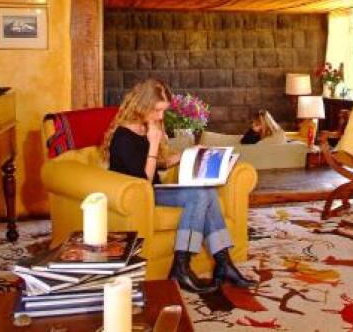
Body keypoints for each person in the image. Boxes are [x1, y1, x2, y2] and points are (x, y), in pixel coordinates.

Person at [102, 79, 255, 294]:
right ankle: (181, 268)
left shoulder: (146, 126)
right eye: (157, 110)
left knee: (206, 190)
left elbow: (159, 163)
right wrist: (153, 143)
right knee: (199, 196)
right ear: (142, 105)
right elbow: (143, 182)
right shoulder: (123, 136)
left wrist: (189, 153)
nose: (160, 117)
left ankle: (223, 263)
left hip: (154, 190)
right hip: (139, 197)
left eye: (163, 111)